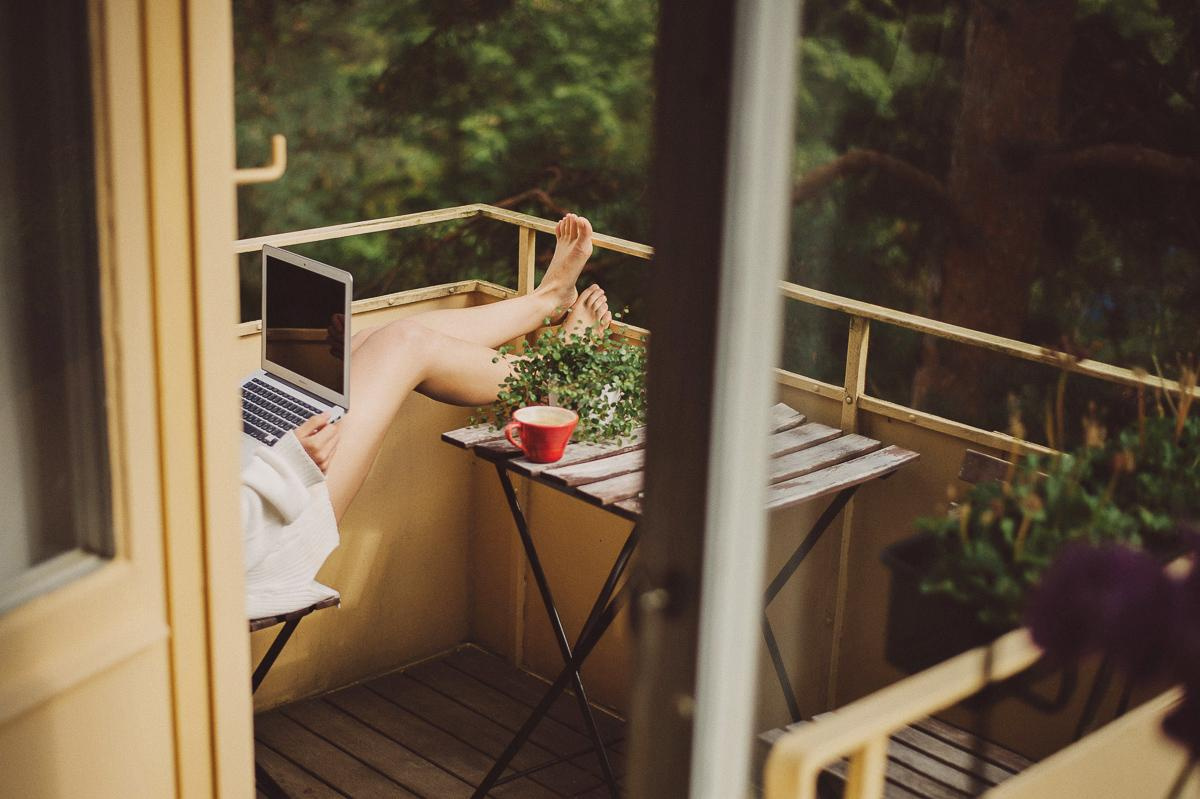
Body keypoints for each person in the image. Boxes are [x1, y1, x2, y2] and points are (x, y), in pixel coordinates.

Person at [241, 215, 611, 617]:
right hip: (267, 546)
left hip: (250, 483)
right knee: (404, 343)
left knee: (369, 340)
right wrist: (290, 460)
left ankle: (547, 299)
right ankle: (554, 375)